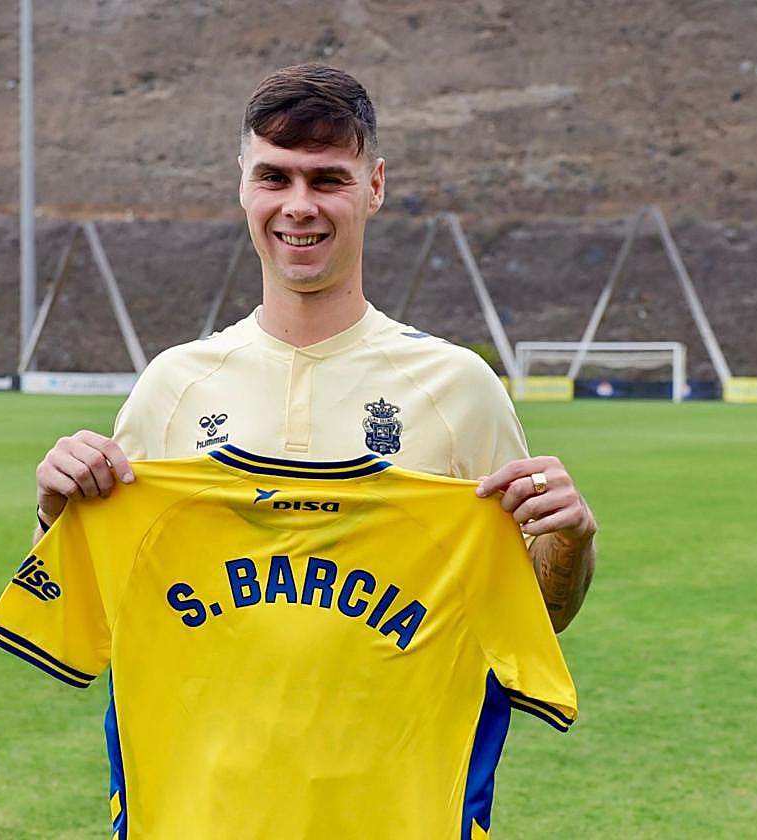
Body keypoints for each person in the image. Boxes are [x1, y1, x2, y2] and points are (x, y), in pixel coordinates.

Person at [33, 63, 596, 632]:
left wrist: (569, 538)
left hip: (392, 724)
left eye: (327, 180)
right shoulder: (174, 385)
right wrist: (55, 513)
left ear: (374, 186)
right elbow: (94, 609)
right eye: (274, 178)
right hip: (208, 723)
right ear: (243, 184)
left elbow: (537, 614)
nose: (299, 205)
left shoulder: (457, 386)